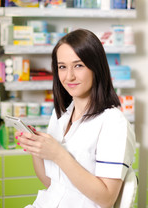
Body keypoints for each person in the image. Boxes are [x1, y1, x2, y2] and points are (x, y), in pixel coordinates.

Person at [15, 29, 136, 208]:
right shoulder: (60, 116)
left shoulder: (113, 122)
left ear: (96, 67)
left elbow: (107, 199)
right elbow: (51, 183)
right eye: (62, 67)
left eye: (78, 65)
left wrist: (58, 154)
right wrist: (37, 149)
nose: (69, 76)